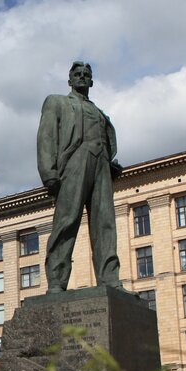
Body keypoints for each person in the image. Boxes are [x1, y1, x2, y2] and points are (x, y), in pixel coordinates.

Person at [36, 61, 123, 292]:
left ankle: (109, 279)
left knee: (105, 222)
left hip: (101, 163)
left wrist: (109, 164)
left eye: (86, 74)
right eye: (78, 74)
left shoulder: (99, 112)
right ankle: (56, 280)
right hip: (75, 160)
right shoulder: (57, 102)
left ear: (92, 81)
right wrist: (49, 173)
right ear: (70, 80)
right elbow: (46, 137)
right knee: (67, 220)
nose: (82, 77)